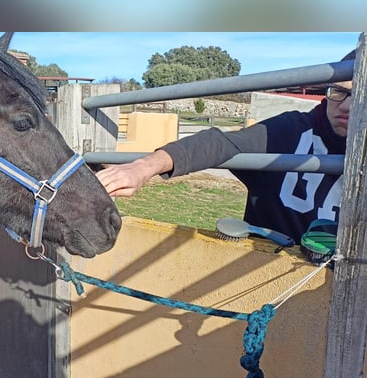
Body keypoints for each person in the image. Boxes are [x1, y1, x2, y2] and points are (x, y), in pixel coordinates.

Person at [96, 49, 356, 244]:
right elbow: (219, 143)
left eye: (360, 95)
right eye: (338, 91)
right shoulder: (291, 129)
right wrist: (143, 167)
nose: (345, 104)